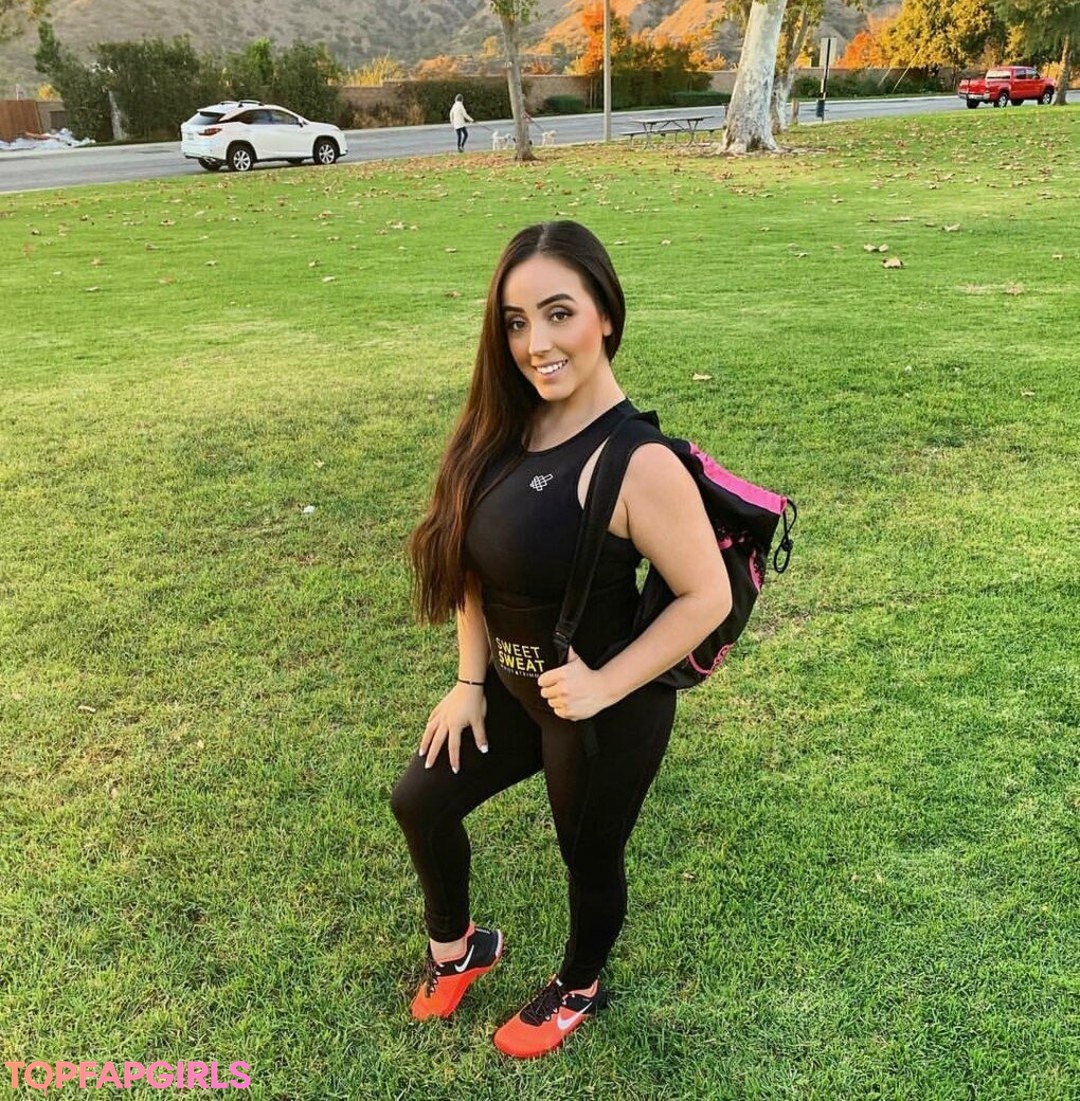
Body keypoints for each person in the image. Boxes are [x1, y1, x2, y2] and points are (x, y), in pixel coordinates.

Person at [391, 221, 732, 1059]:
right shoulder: (504, 432)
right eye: (516, 322)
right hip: (515, 693)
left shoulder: (638, 461)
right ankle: (460, 950)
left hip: (605, 710)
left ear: (605, 314)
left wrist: (605, 685)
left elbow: (708, 596)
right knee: (420, 799)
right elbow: (471, 570)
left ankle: (579, 983)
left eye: (558, 313)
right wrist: (470, 681)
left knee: (587, 852)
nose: (536, 344)